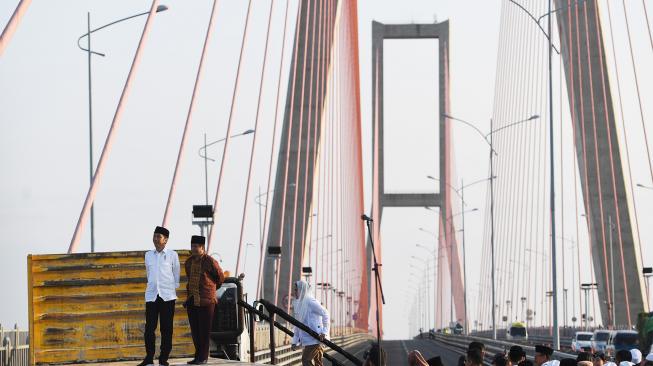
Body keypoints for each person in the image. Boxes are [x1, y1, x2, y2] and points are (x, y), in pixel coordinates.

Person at [139, 226, 180, 366]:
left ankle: (163, 358)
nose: (156, 239)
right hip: (151, 296)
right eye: (154, 236)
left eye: (159, 237)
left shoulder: (173, 255)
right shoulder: (148, 255)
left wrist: (170, 288)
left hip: (167, 296)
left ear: (165, 240)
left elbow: (176, 275)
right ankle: (149, 357)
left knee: (166, 328)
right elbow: (148, 273)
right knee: (149, 328)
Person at [184, 235, 225, 365]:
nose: (194, 249)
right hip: (192, 300)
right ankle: (197, 357)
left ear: (203, 248)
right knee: (195, 331)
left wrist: (210, 289)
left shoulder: (210, 261)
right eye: (192, 246)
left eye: (197, 246)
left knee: (204, 331)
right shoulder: (188, 262)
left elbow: (220, 278)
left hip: (206, 301)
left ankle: (203, 358)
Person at [290, 280, 330, 366]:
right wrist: (294, 341)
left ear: (302, 290)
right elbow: (298, 324)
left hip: (315, 339)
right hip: (308, 339)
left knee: (305, 360)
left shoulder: (310, 302)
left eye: (296, 290)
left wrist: (324, 332)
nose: (295, 292)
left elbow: (325, 313)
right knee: (318, 363)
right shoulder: (299, 304)